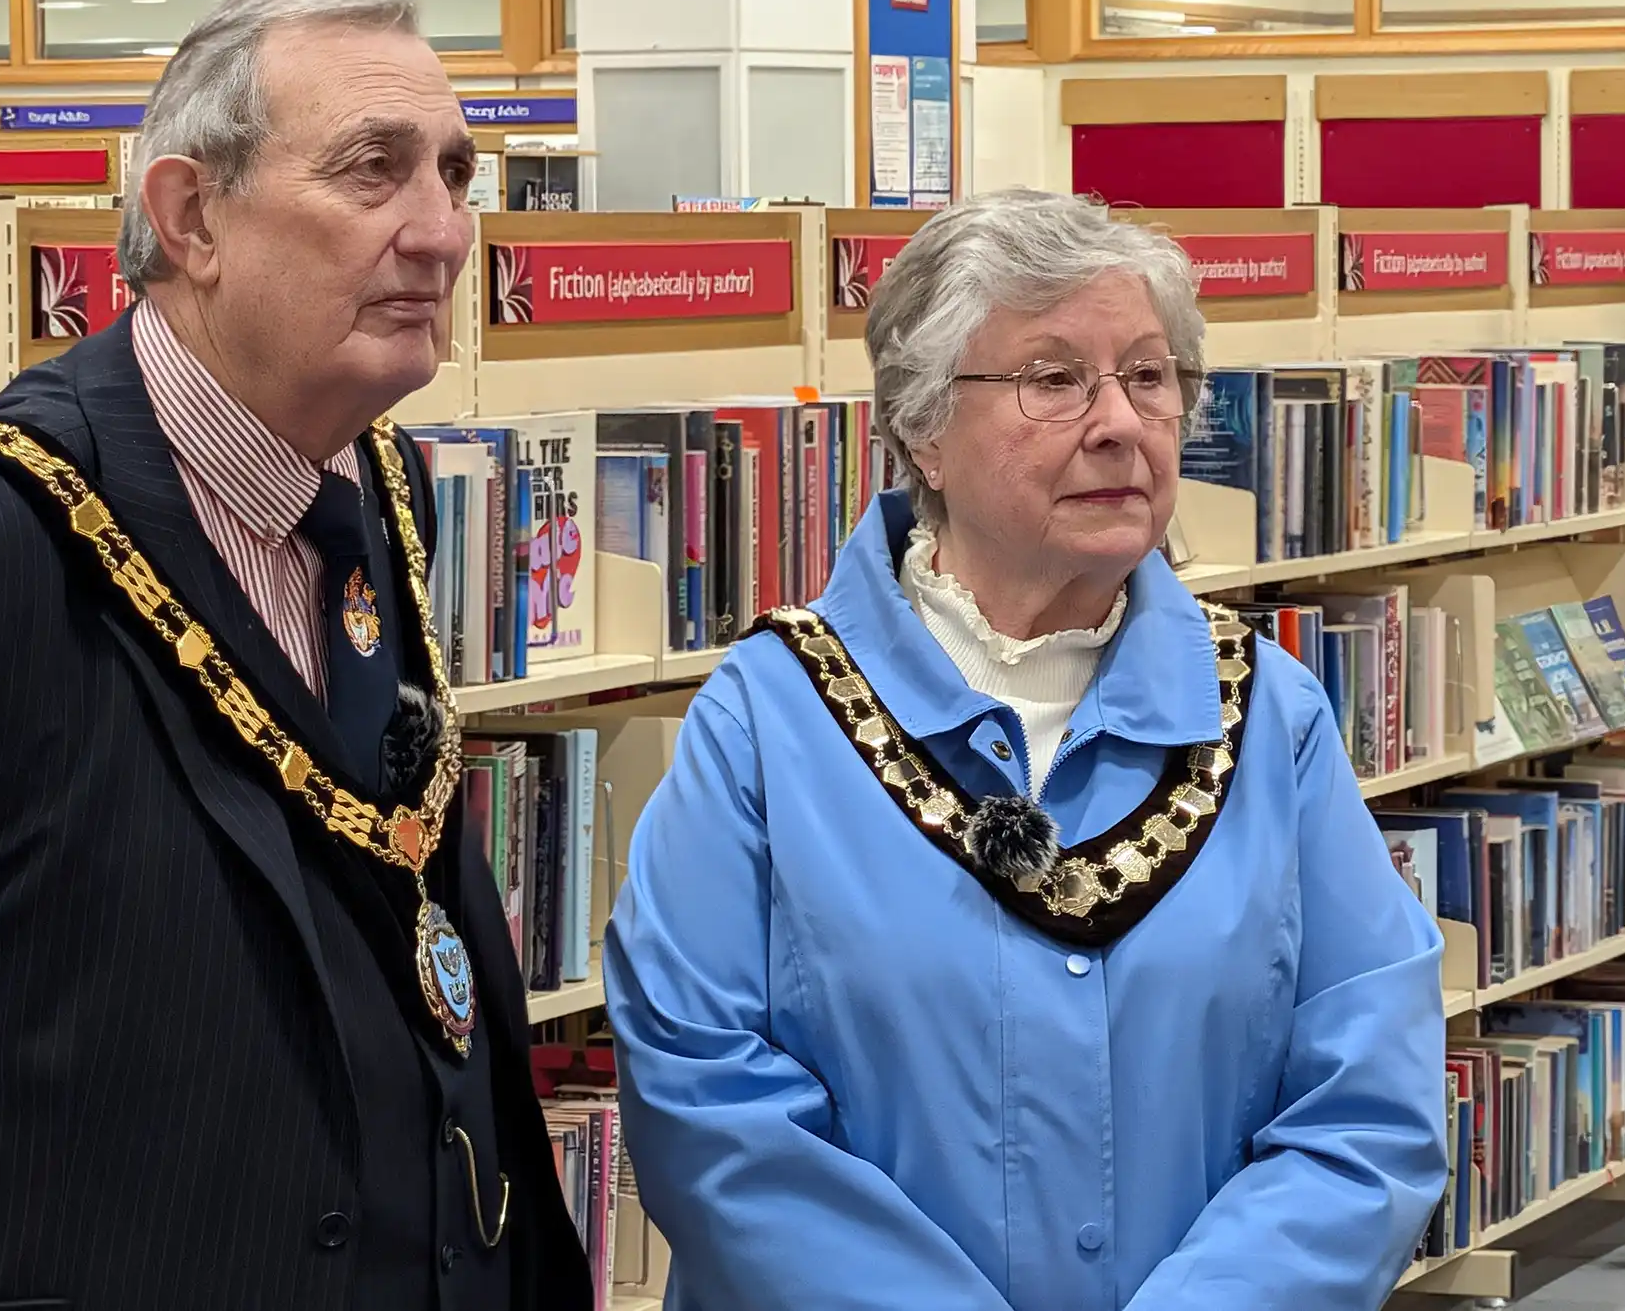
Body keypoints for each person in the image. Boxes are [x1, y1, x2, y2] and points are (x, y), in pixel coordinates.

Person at [0, 0, 588, 1311]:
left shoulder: (378, 496)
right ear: (192, 215)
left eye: (454, 173)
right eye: (372, 173)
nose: (441, 232)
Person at [604, 188, 1448, 1310]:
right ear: (921, 429)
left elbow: (1365, 1107)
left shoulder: (1267, 718)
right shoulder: (768, 719)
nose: (1117, 423)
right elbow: (705, 1106)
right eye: (1052, 379)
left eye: (1147, 377)